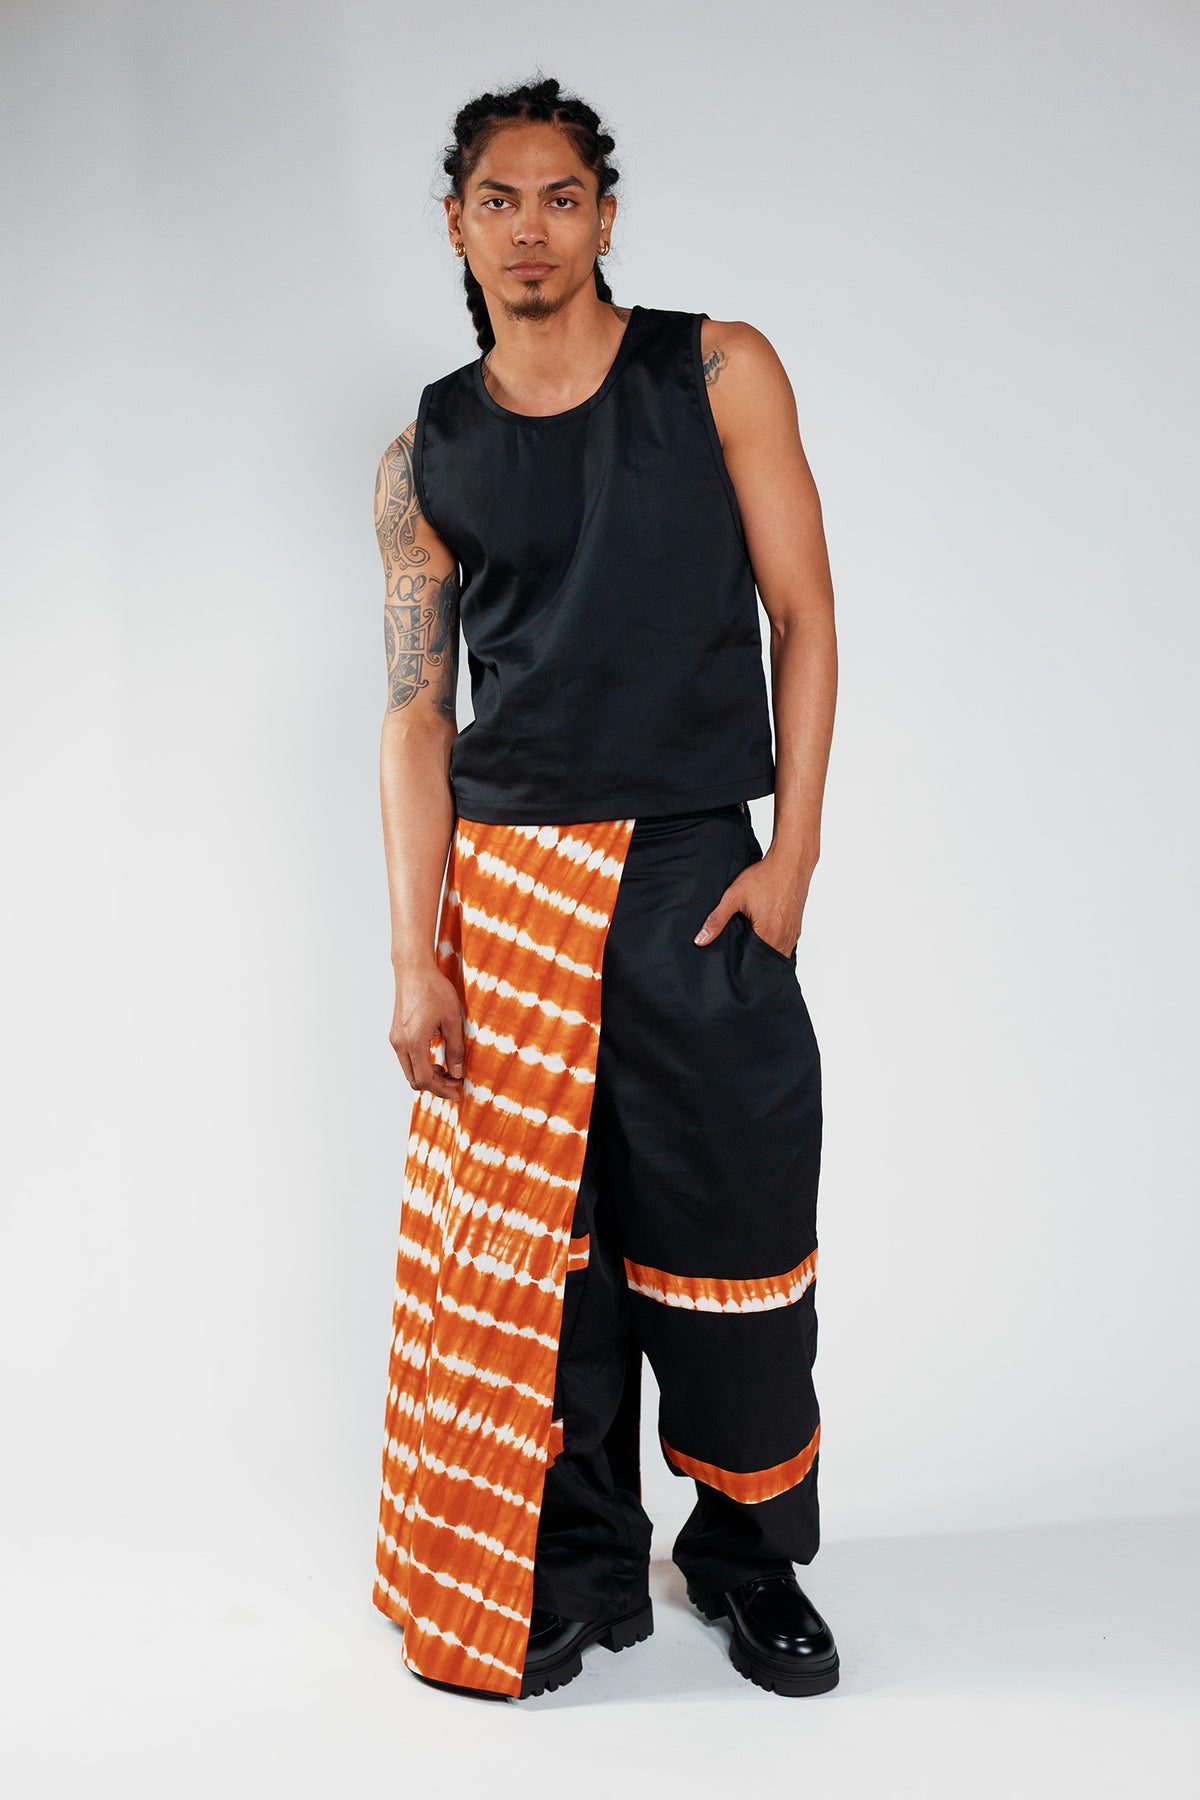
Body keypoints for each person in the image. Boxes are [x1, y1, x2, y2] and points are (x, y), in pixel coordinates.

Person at [371, 75, 839, 1703]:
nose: (531, 229)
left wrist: (790, 858)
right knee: (538, 1262)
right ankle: (569, 1568)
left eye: (561, 197)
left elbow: (805, 611)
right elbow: (416, 717)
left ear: (606, 214)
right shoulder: (423, 451)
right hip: (507, 880)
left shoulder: (715, 370)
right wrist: (415, 956)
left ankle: (747, 1557)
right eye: (498, 200)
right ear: (455, 225)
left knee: (736, 1219)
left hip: (693, 865)